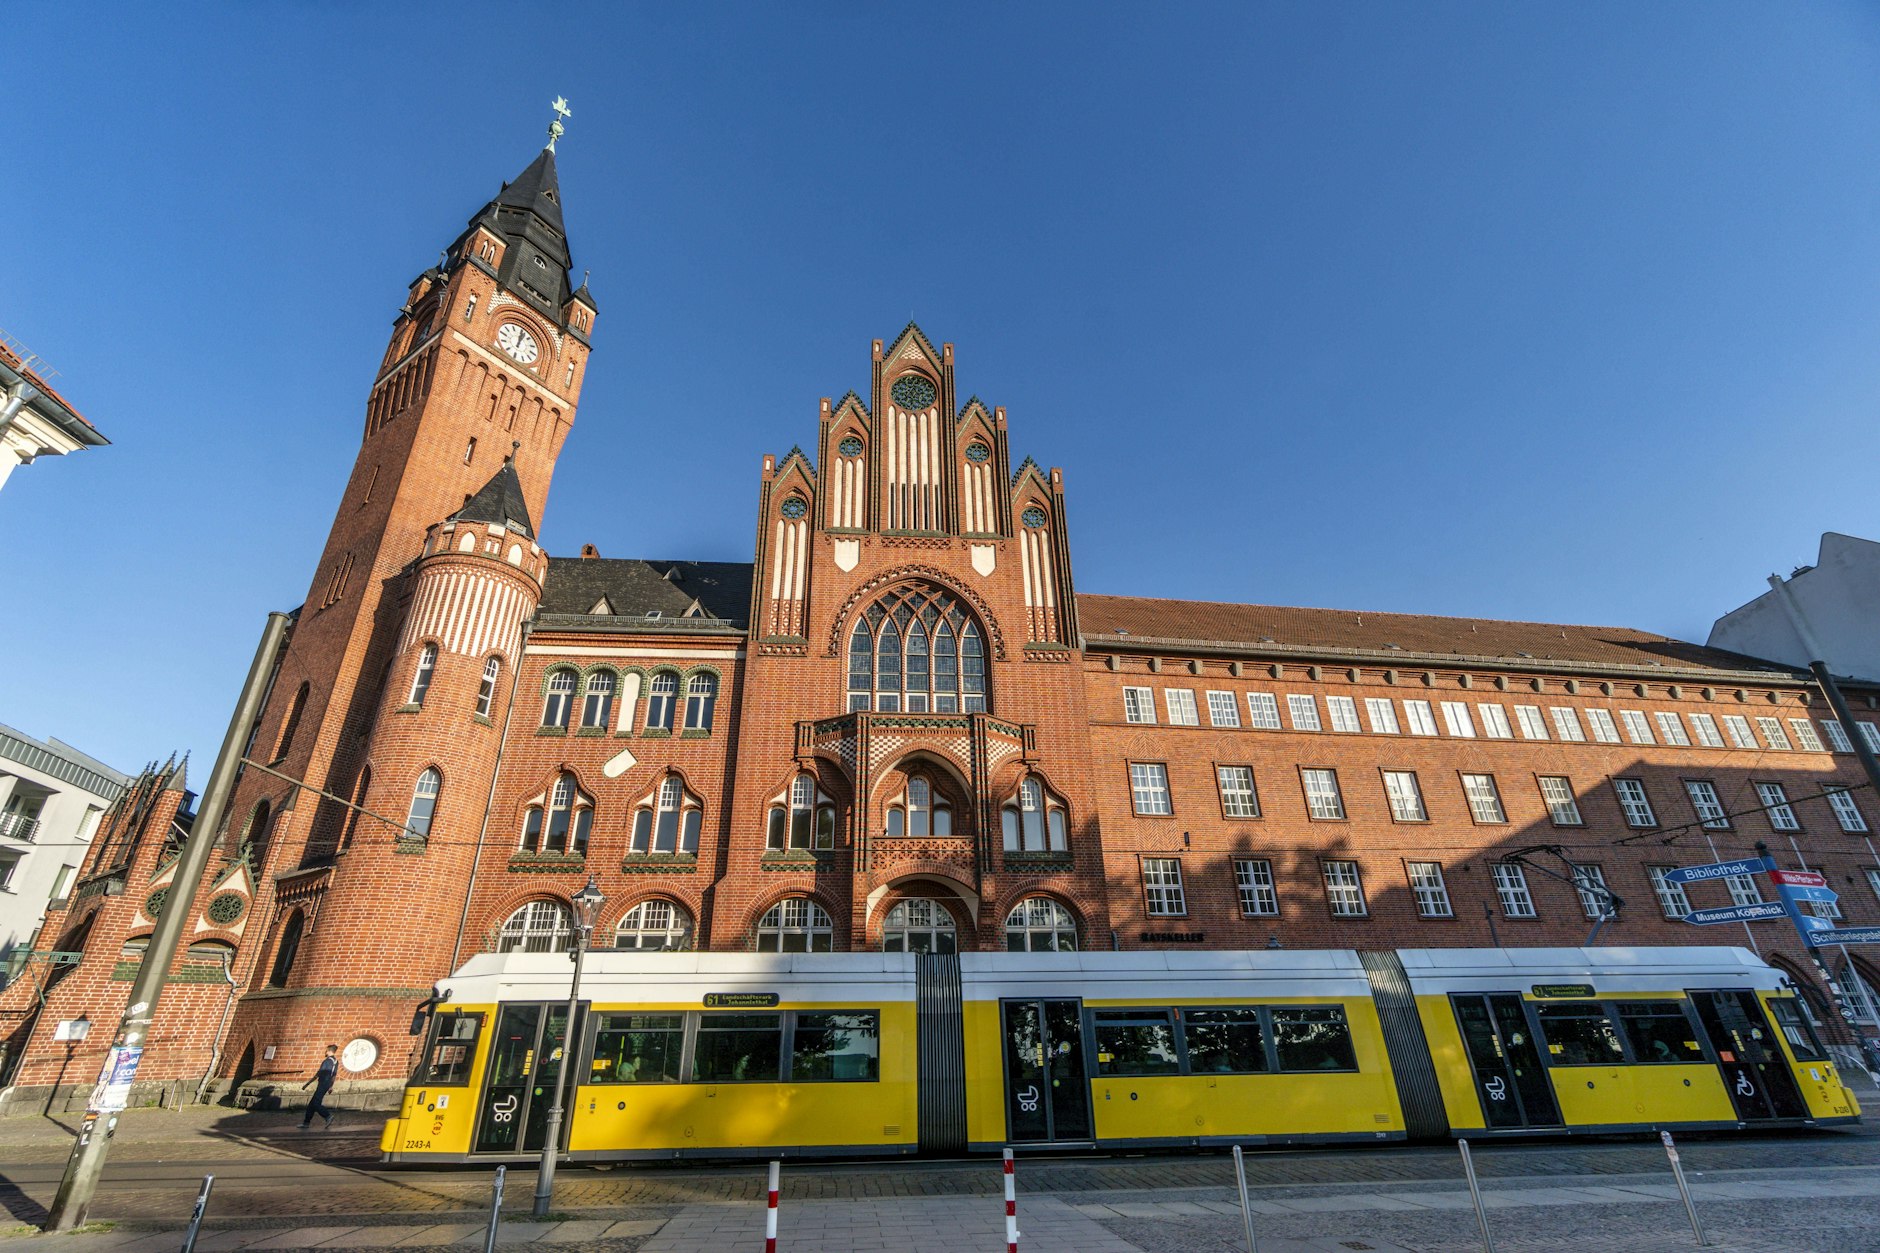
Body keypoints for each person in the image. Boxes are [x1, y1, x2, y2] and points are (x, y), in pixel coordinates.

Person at [300, 1044, 338, 1130]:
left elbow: (318, 1074)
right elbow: (334, 1075)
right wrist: (331, 1086)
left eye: (326, 1050)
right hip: (327, 1084)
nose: (325, 1052)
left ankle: (327, 1116)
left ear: (329, 1051)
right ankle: (306, 1123)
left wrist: (307, 1084)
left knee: (316, 1103)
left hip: (322, 1084)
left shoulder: (327, 1061)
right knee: (312, 1104)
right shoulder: (336, 1061)